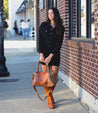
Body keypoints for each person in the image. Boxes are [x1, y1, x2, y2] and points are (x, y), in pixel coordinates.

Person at [39, 7, 64, 109]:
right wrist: (41, 54)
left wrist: (51, 55)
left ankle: (49, 95)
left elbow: (59, 44)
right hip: (44, 55)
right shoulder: (43, 25)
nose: (50, 15)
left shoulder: (60, 27)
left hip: (55, 55)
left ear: (56, 14)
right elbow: (40, 40)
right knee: (46, 79)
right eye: (49, 13)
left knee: (54, 79)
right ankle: (50, 98)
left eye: (52, 13)